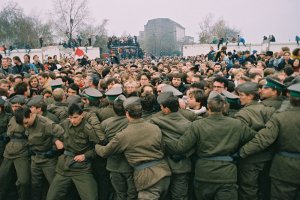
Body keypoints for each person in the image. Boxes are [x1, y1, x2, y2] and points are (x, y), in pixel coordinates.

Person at [165, 91, 257, 200]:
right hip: (227, 174)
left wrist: (163, 142)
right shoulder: (236, 124)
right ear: (224, 106)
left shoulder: (198, 125)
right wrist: (242, 152)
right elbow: (256, 138)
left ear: (208, 107)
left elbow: (181, 147)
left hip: (204, 173)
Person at [95, 97, 171, 199]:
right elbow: (162, 148)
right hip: (164, 172)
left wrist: (96, 145)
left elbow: (104, 152)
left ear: (127, 114)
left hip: (147, 178)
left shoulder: (124, 135)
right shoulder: (155, 128)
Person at [239, 82, 300, 200]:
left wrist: (242, 152)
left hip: (284, 169)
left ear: (291, 98)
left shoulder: (281, 117)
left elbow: (263, 139)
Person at [46, 103, 99, 200]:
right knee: (51, 197)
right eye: (70, 117)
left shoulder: (88, 128)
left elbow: (97, 148)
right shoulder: (65, 123)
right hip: (63, 167)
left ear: (81, 115)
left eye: (75, 117)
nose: (73, 120)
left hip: (81, 168)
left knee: (91, 197)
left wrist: (85, 155)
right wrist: (56, 140)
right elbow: (53, 133)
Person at [234, 82, 275, 200]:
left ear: (250, 96)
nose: (239, 97)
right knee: (265, 188)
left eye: (241, 95)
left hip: (249, 159)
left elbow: (239, 137)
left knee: (248, 189)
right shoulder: (269, 110)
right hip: (267, 157)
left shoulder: (242, 114)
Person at [14, 106, 64, 200]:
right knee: (35, 185)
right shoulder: (25, 122)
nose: (25, 126)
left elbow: (63, 133)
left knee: (54, 186)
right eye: (23, 124)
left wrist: (56, 141)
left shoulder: (46, 123)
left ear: (30, 115)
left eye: (26, 123)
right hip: (35, 159)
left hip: (48, 159)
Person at [150, 92, 192, 200]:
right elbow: (193, 144)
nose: (160, 109)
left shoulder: (155, 120)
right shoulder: (188, 124)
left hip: (162, 166)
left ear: (167, 109)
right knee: (180, 196)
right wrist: (184, 154)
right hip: (181, 165)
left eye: (161, 107)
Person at [99, 95, 138, 200]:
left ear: (113, 110)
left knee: (120, 194)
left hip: (114, 165)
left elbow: (102, 141)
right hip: (130, 164)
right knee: (132, 194)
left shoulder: (105, 123)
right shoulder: (133, 122)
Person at [0, 95, 29, 200]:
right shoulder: (11, 118)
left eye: (18, 106)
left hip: (22, 151)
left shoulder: (27, 117)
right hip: (8, 150)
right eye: (14, 106)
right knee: (2, 178)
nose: (15, 108)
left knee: (23, 181)